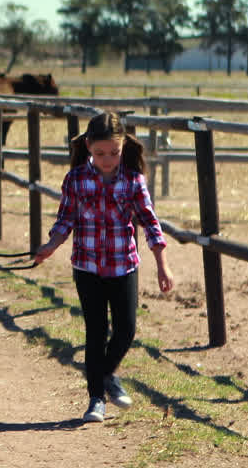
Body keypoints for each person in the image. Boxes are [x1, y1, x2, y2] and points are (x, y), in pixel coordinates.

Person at [33, 111, 175, 423]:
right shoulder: (75, 179)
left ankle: (107, 374)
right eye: (100, 153)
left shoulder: (133, 181)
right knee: (95, 332)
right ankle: (96, 398)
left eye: (114, 152)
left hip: (123, 265)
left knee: (126, 329)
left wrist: (162, 266)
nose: (107, 160)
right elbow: (65, 220)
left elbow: (151, 224)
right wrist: (50, 246)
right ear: (88, 147)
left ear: (123, 147)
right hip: (87, 267)